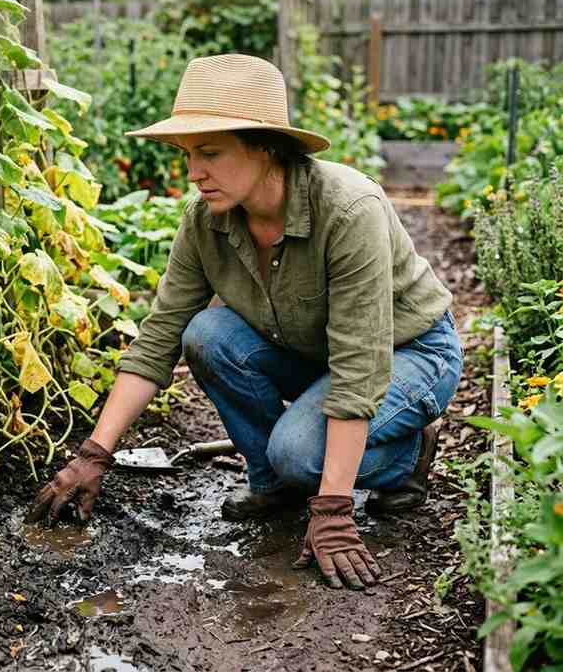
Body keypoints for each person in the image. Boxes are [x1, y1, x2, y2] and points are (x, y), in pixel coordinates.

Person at [24, 54, 463, 591]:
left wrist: (332, 510)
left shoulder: (349, 211)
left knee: (299, 454)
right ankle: (274, 483)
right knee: (206, 335)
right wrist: (94, 454)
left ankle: (403, 456)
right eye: (188, 155)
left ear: (265, 146)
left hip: (409, 352)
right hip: (314, 353)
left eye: (209, 153)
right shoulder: (205, 221)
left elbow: (358, 365)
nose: (193, 172)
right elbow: (161, 335)